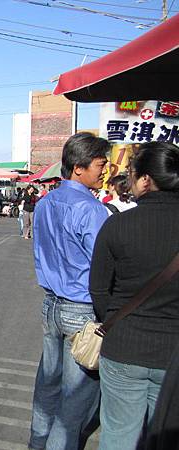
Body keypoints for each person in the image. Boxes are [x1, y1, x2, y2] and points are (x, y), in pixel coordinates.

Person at [89, 142, 179, 450]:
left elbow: (99, 289)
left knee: (118, 435)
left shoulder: (117, 225)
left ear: (145, 180)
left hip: (123, 347)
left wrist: (114, 320)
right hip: (173, 353)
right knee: (163, 437)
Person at [29, 132, 110, 450]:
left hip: (51, 305)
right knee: (74, 399)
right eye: (100, 165)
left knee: (47, 384)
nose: (103, 171)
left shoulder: (45, 203)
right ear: (79, 167)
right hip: (81, 310)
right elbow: (104, 264)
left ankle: (37, 443)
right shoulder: (91, 210)